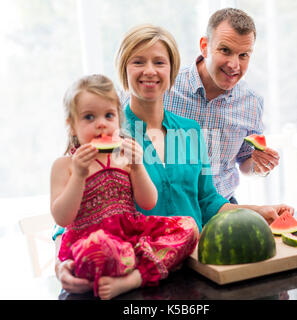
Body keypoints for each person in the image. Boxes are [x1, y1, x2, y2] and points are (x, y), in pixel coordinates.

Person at [54, 24, 294, 296]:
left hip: (193, 265)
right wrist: (61, 261)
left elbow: (207, 201)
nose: (150, 71)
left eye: (159, 62)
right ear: (124, 69)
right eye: (138, 62)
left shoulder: (191, 131)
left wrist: (254, 211)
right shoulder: (107, 132)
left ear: (172, 71)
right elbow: (78, 207)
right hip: (128, 272)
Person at [50, 74, 199, 299]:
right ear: (71, 126)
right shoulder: (65, 166)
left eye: (109, 115)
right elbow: (62, 219)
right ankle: (116, 270)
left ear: (118, 121)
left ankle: (134, 278)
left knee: (189, 228)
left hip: (130, 239)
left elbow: (149, 201)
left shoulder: (124, 158)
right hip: (91, 245)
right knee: (98, 248)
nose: (101, 123)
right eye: (89, 117)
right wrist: (79, 175)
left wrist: (138, 168)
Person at [121, 8, 280, 204]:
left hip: (222, 206)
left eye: (243, 55)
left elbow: (245, 161)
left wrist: (258, 165)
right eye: (225, 50)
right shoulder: (161, 84)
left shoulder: (252, 103)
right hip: (168, 206)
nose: (234, 64)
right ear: (204, 46)